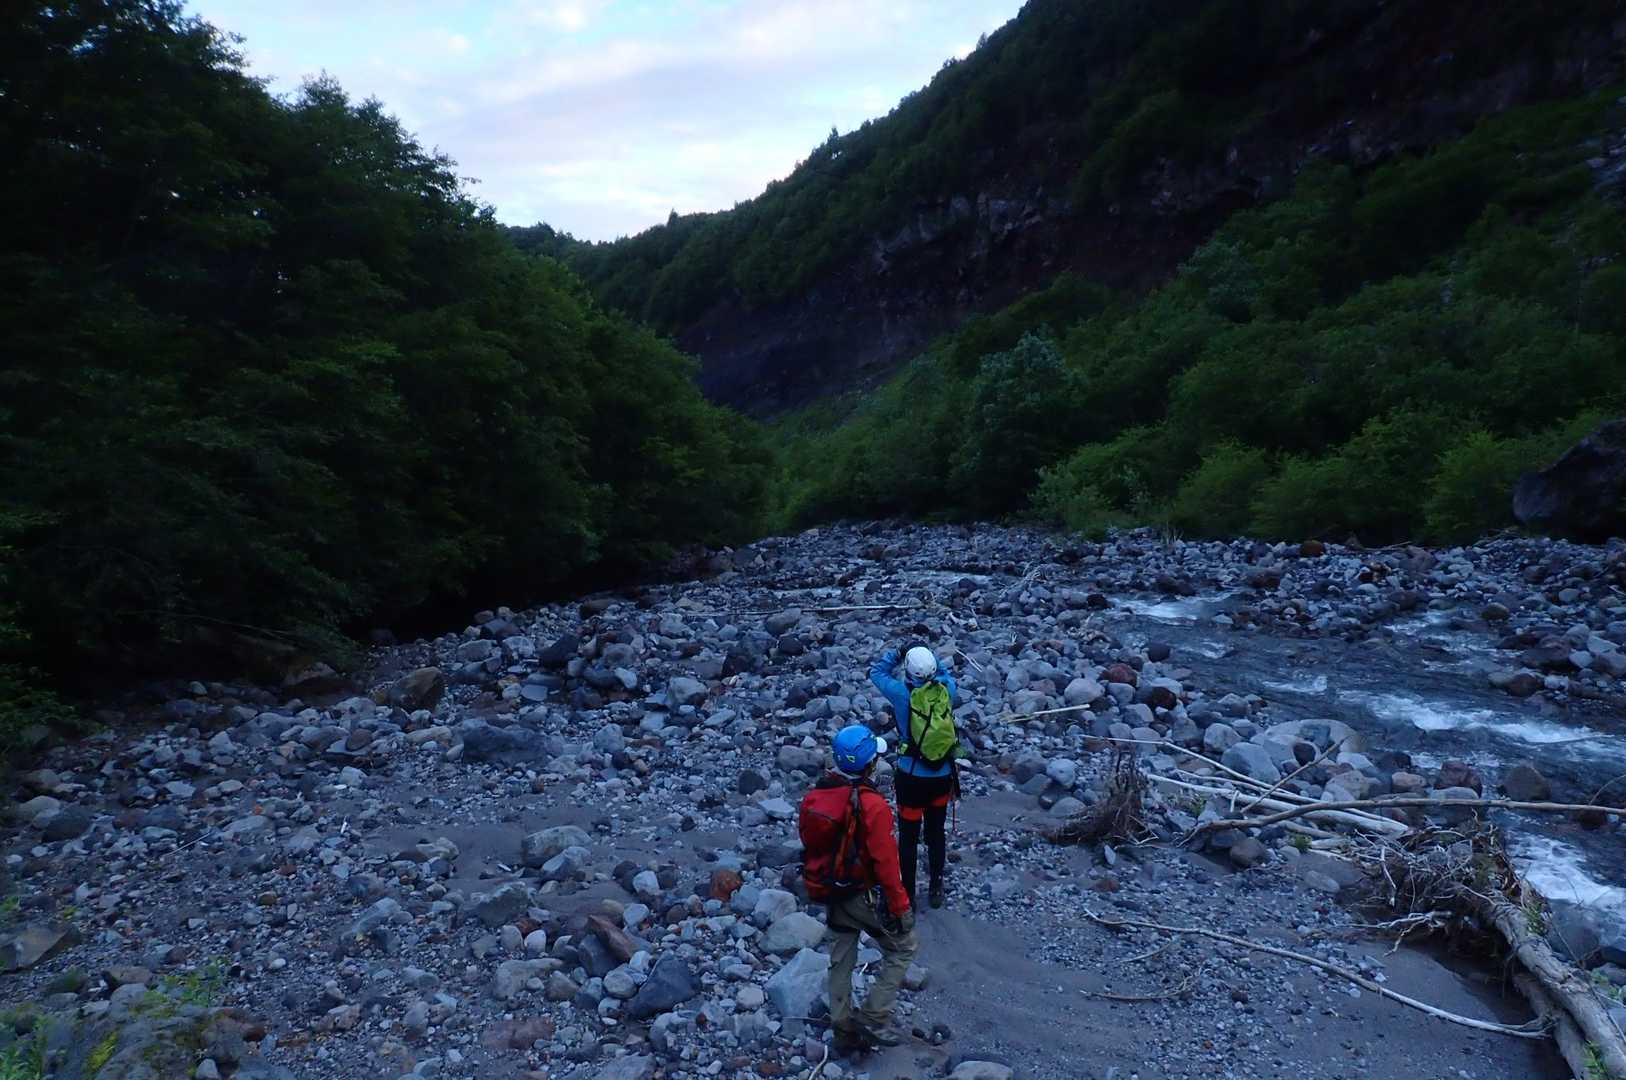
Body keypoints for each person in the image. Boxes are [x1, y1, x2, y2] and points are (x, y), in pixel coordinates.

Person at [797, 724, 918, 1052]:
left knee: (841, 957)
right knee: (902, 948)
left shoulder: (817, 796)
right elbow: (886, 864)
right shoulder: (872, 805)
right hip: (861, 892)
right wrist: (901, 907)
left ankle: (842, 1027)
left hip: (829, 890)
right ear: (869, 764)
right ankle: (874, 1016)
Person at [869, 644, 962, 908]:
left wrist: (898, 653)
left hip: (911, 777)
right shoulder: (947, 689)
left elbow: (876, 673)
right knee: (936, 833)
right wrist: (928, 652)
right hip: (942, 774)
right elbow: (943, 672)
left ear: (908, 671)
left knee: (909, 837)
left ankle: (907, 893)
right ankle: (936, 887)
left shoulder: (901, 694)